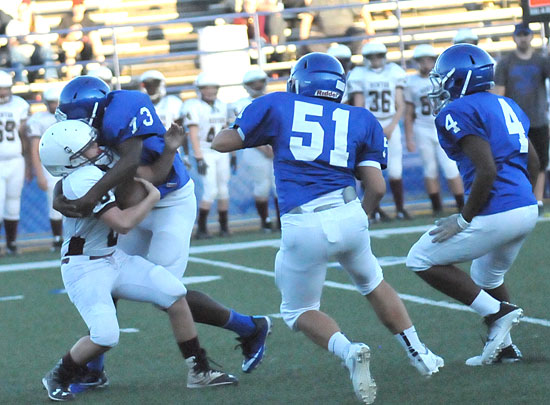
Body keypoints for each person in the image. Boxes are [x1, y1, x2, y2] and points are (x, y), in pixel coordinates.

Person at [212, 53, 444, 404]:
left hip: (303, 222)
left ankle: (349, 351)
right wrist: (361, 217)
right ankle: (420, 353)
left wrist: (254, 128)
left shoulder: (278, 104)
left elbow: (222, 142)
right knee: (374, 283)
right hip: (349, 212)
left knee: (298, 310)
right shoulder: (362, 117)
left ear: (299, 82)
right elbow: (378, 188)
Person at [54, 76, 271, 391]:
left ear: (92, 110)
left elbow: (138, 167)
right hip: (134, 200)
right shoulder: (92, 133)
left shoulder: (124, 107)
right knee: (108, 273)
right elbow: (69, 168)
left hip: (168, 200)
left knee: (167, 293)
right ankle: (93, 370)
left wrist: (90, 197)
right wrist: (61, 197)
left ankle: (249, 328)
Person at [39, 120, 237, 401]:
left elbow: (151, 171)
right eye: (90, 147)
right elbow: (122, 224)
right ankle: (57, 375)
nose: (99, 147)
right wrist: (152, 198)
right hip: (84, 267)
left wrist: (169, 151)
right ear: (71, 159)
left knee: (174, 292)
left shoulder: (92, 168)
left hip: (112, 258)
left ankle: (199, 371)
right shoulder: (81, 179)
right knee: (106, 336)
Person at [406, 44, 539, 366]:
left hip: (499, 209)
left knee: (421, 258)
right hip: (525, 206)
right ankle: (505, 349)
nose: (437, 84)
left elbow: (487, 169)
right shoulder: (506, 104)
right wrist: (526, 200)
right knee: (487, 277)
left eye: (443, 78)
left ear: (459, 79)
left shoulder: (457, 110)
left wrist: (464, 220)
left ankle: (497, 312)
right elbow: (534, 161)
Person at [348, 42, 411, 221]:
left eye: (378, 56)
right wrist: (372, 129)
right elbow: (359, 106)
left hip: (391, 125)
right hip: (370, 126)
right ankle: (374, 210)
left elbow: (400, 104)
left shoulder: (394, 72)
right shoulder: (359, 75)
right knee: (371, 170)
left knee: (396, 170)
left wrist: (392, 126)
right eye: (372, 56)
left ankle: (400, 209)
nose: (375, 60)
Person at [493, 23, 550, 213]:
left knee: (541, 162)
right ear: (514, 37)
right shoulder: (506, 63)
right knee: (517, 162)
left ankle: (538, 200)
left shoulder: (541, 61)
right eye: (520, 35)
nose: (523, 38)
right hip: (515, 121)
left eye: (526, 34)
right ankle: (522, 198)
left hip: (538, 119)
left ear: (531, 36)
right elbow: (499, 92)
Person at [404, 44, 464, 216]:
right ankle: (436, 207)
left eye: (428, 59)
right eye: (421, 60)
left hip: (443, 127)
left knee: (451, 168)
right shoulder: (411, 82)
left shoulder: (443, 79)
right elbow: (409, 113)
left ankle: (461, 204)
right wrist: (409, 138)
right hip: (422, 128)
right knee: (429, 169)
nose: (425, 63)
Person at [182, 72, 234, 239]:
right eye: (206, 88)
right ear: (199, 90)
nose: (211, 91)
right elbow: (193, 133)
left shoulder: (223, 105)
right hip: (205, 151)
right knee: (210, 191)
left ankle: (224, 226)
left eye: (213, 87)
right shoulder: (194, 106)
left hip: (222, 151)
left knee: (224, 190)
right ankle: (202, 228)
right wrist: (198, 157)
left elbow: (228, 131)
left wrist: (232, 153)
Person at [229, 68, 279, 232]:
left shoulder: (274, 99)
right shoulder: (241, 104)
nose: (257, 86)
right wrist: (262, 148)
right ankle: (265, 221)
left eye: (259, 82)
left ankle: (281, 220)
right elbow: (242, 130)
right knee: (262, 186)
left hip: (276, 147)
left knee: (278, 185)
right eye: (253, 83)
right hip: (253, 149)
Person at [27, 85, 64, 250]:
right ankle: (58, 238)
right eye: (50, 102)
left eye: (56, 102)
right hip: (51, 165)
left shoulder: (70, 116)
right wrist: (39, 173)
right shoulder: (38, 120)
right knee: (54, 201)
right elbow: (34, 147)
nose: (53, 105)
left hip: (71, 163)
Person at [0, 70, 30, 256]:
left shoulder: (20, 105)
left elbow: (24, 135)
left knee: (13, 202)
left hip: (15, 160)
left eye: (5, 89)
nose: (3, 93)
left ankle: (11, 243)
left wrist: (27, 162)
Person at [298, 0, 374, 56]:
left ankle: (354, 62)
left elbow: (363, 11)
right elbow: (307, 18)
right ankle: (330, 59)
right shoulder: (318, 2)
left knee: (360, 35)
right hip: (326, 38)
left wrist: (370, 32)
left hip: (348, 35)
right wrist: (303, 39)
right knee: (310, 42)